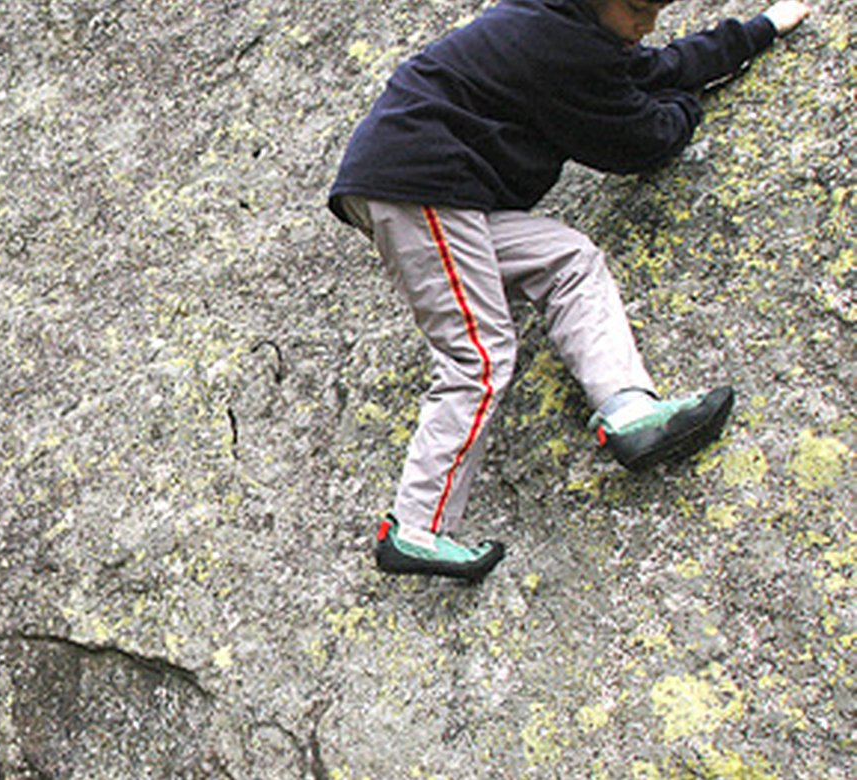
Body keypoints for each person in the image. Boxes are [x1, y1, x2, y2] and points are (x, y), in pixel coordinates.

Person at [327, 0, 812, 581]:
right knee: (478, 356)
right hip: (421, 182)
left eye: (655, 11)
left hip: (441, 190)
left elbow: (653, 70)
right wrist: (688, 105)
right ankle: (415, 525)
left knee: (567, 257)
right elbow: (640, 143)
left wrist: (758, 31)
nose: (647, 26)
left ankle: (630, 410)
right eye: (637, 9)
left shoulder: (570, 29)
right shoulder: (553, 42)